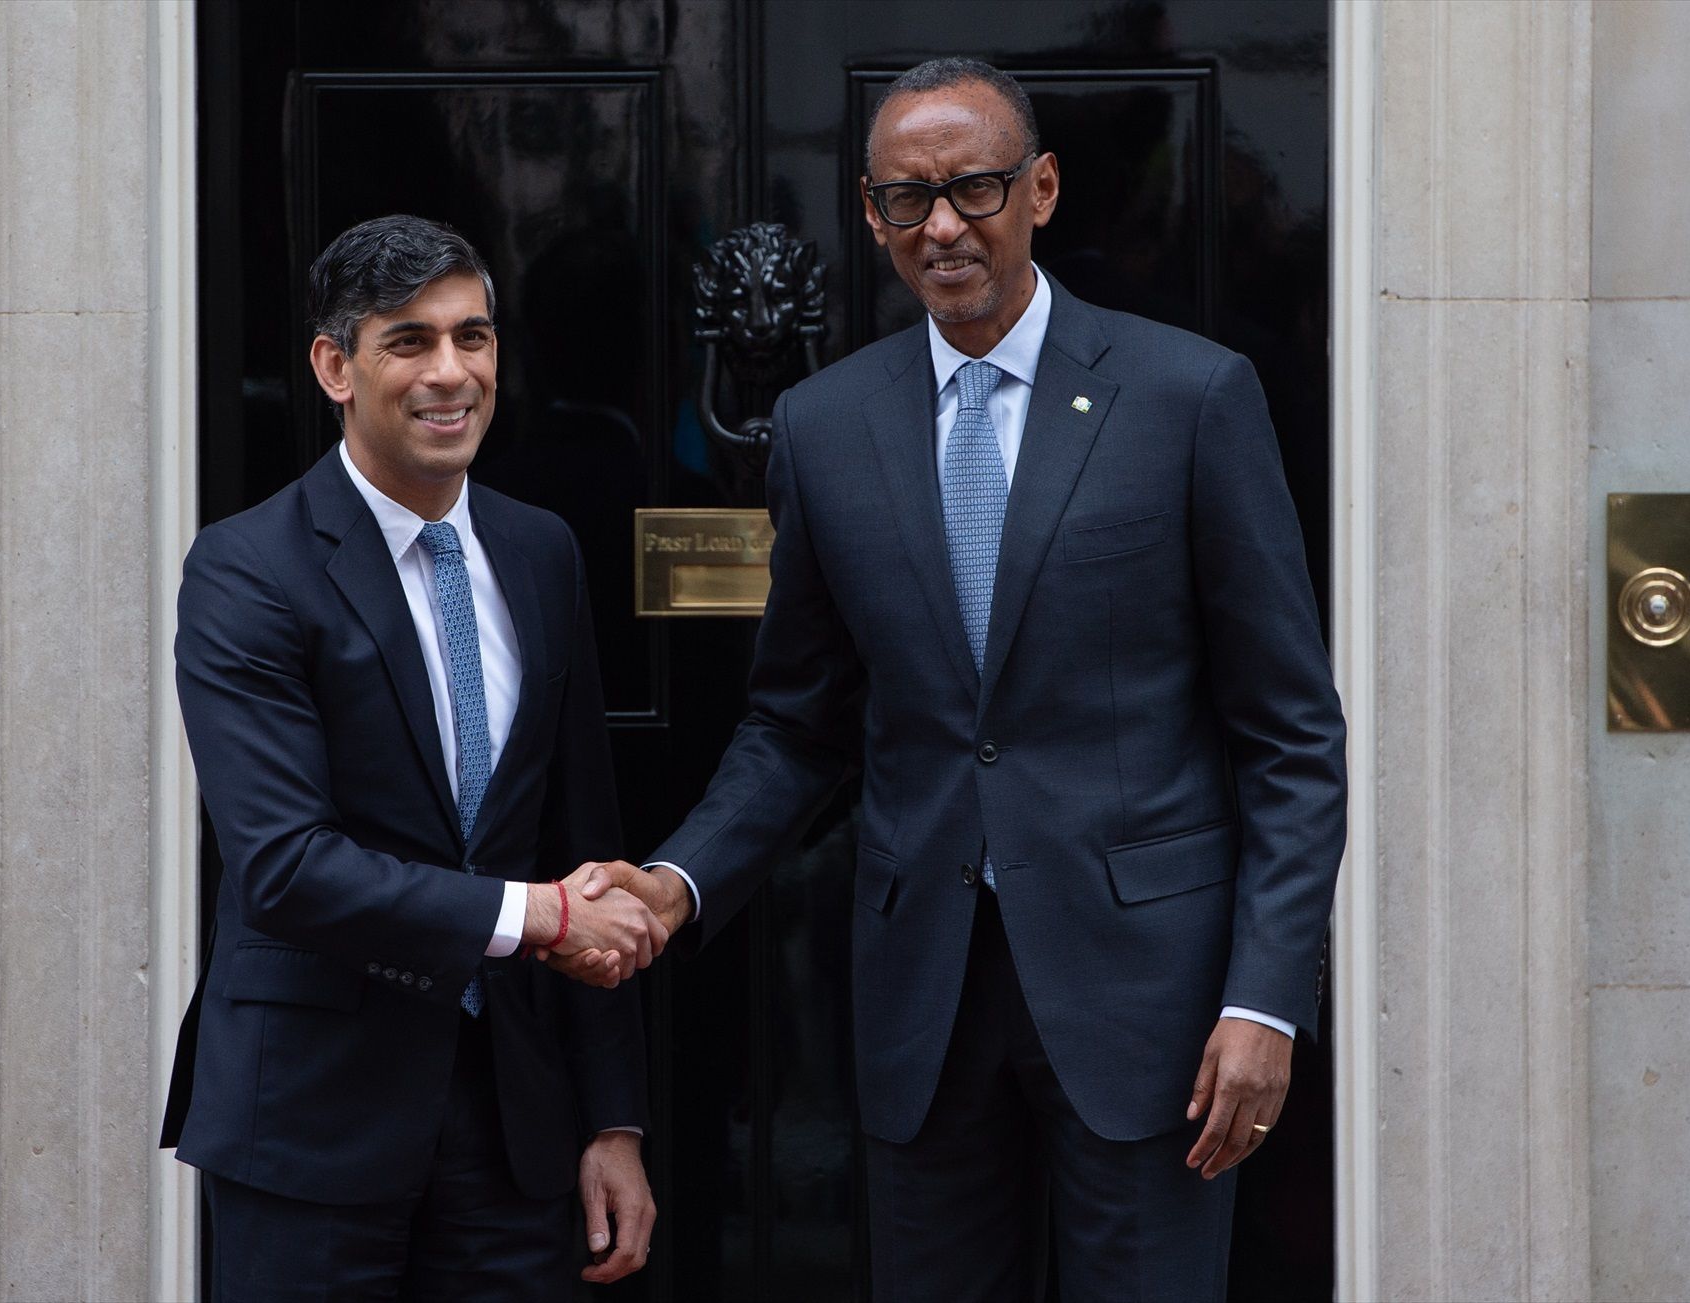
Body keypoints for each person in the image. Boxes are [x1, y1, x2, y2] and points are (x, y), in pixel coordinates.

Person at [570, 59, 1347, 1299]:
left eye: (974, 188)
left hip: (1152, 1008)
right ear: (874, 218)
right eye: (904, 200)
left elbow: (1292, 737)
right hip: (923, 1002)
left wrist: (1267, 1000)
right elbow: (797, 723)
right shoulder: (828, 427)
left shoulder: (1191, 396)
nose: (942, 226)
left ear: (1039, 189)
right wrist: (676, 881)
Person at [161, 215, 667, 1301]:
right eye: (411, 341)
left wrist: (612, 1118)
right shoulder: (246, 571)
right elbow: (288, 866)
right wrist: (540, 916)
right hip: (312, 1122)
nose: (453, 373)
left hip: (514, 1126)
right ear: (334, 366)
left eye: (473, 337)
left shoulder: (542, 550)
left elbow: (585, 836)